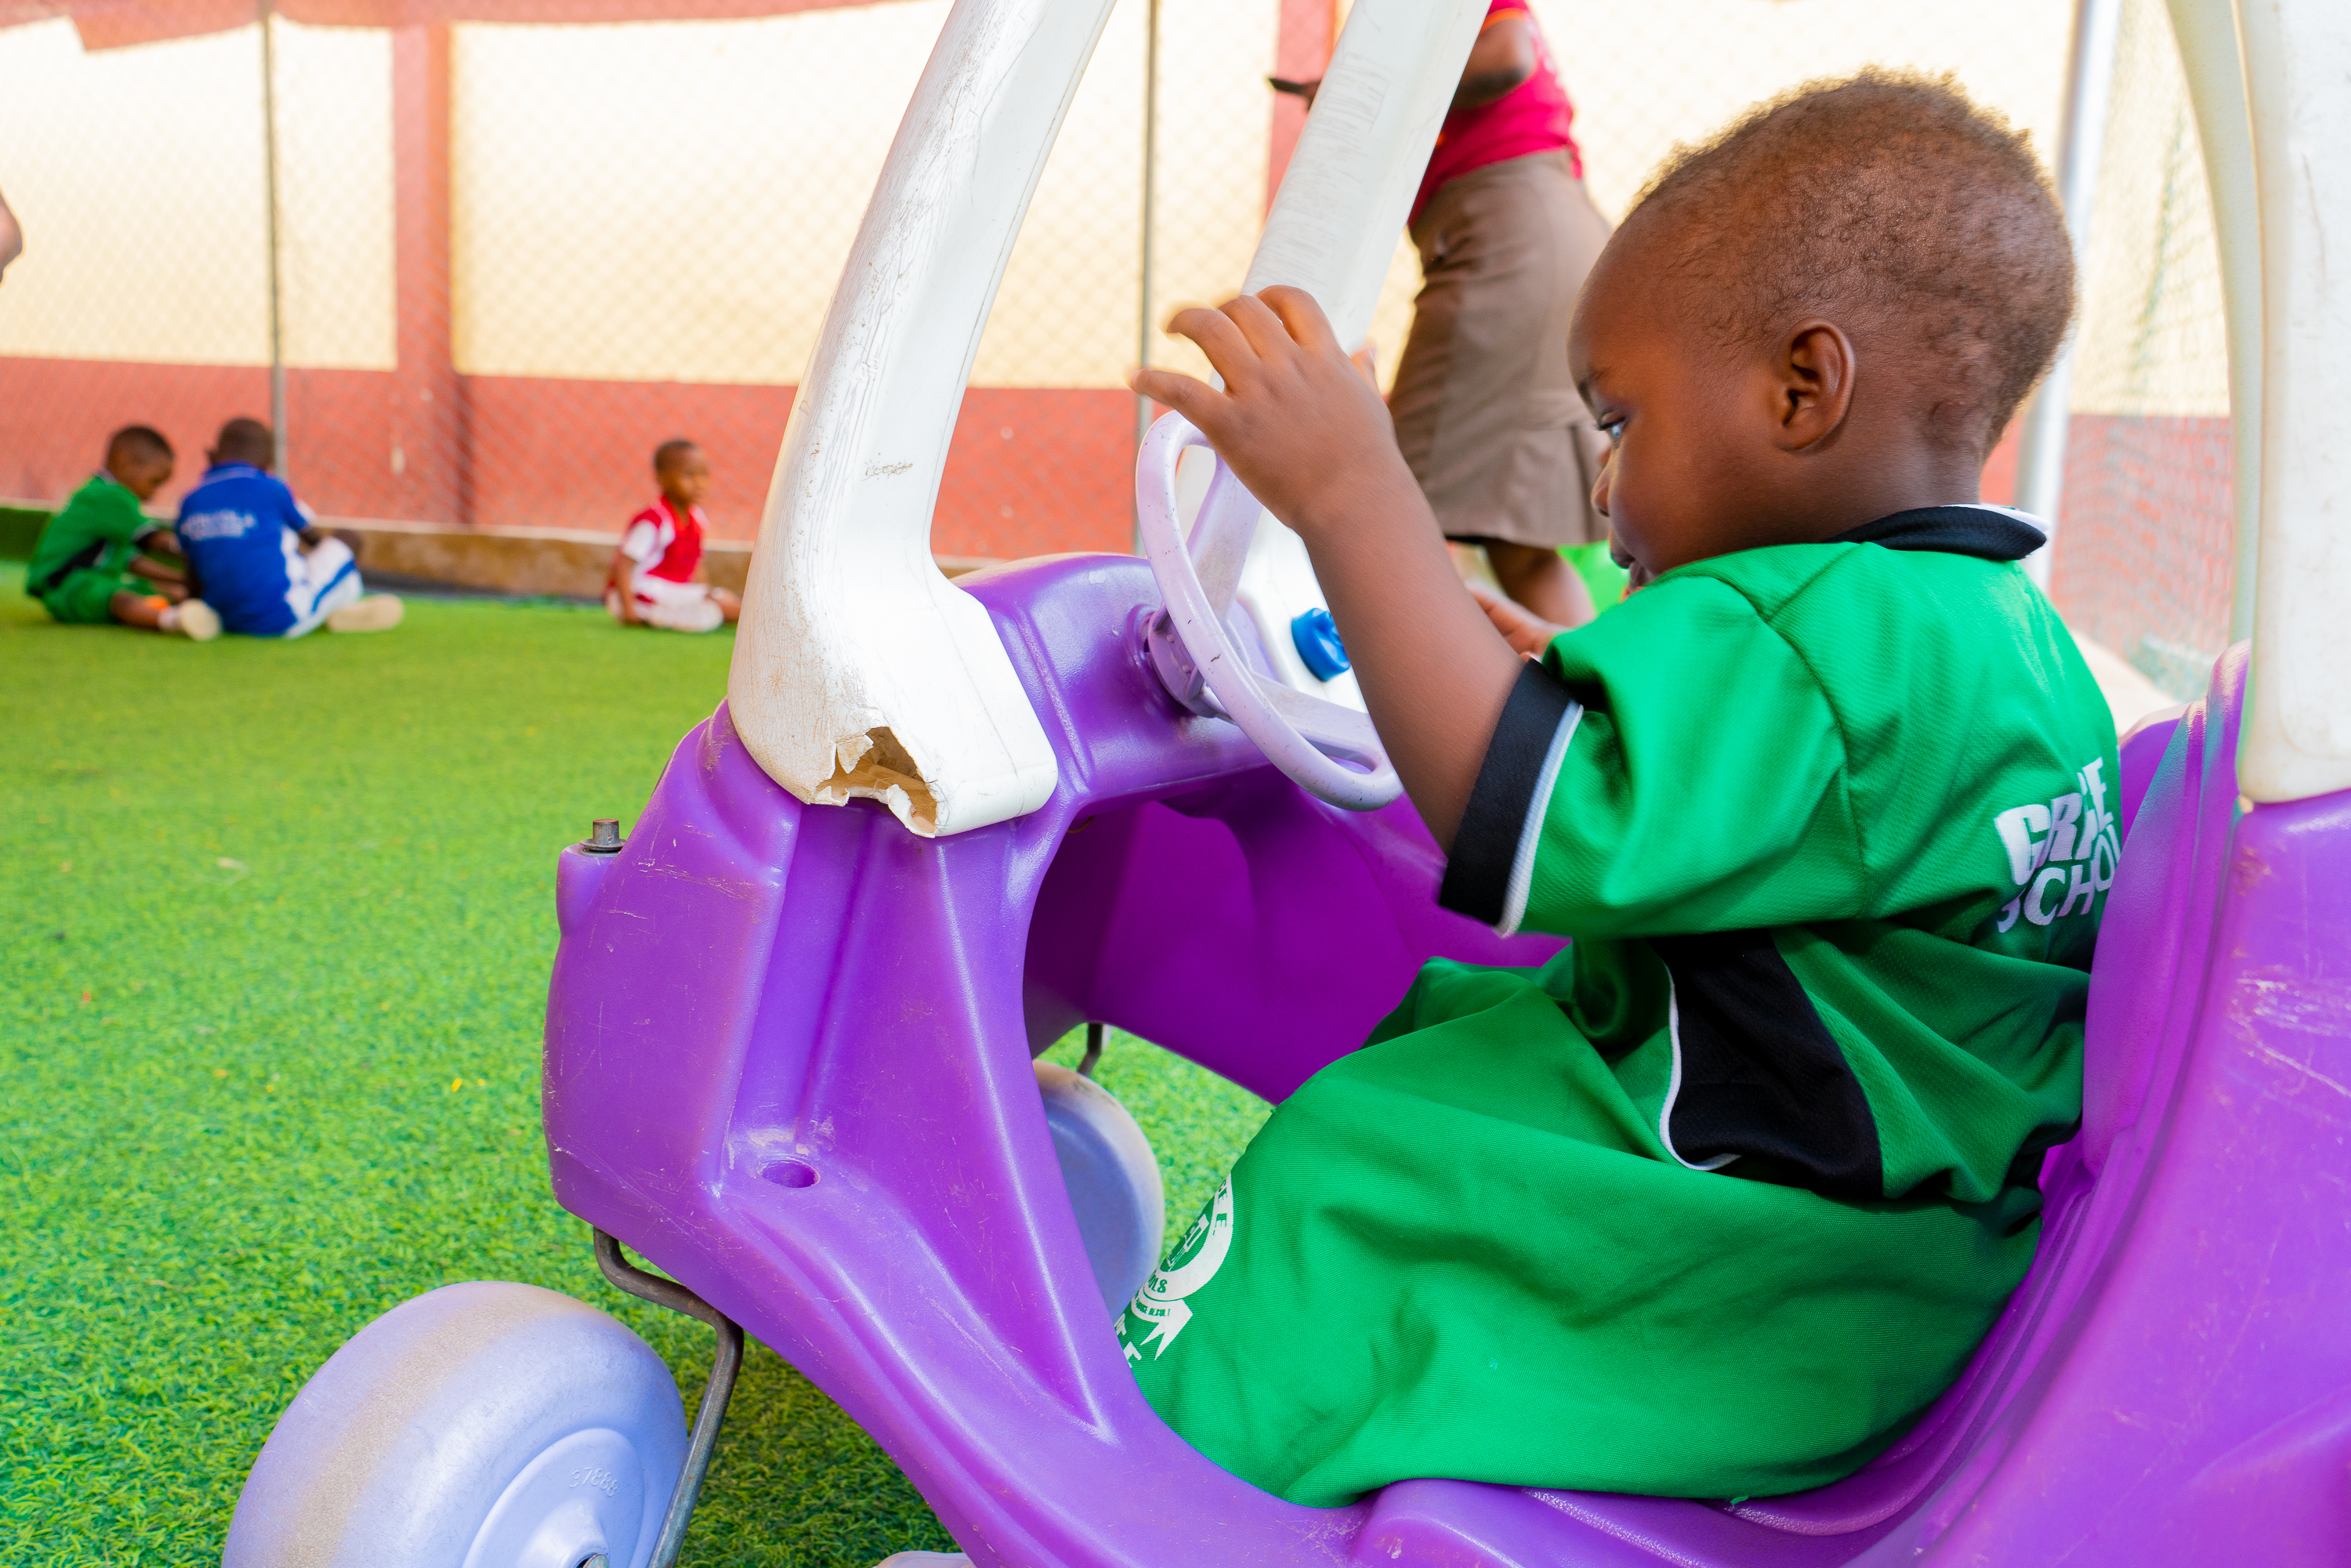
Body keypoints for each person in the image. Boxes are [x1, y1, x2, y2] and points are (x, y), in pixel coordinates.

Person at [1121, 72, 2106, 1507]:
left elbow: (1506, 820)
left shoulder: (1807, 629)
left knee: (1361, 1152)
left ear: (1802, 389)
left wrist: (1354, 496)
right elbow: (1793, 803)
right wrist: (1562, 683)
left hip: (1766, 1270)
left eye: (1619, 420)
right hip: (1904, 1275)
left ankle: (1133, 1511)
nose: (1599, 488)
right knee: (1460, 1032)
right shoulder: (2002, 632)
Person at [1281, 2, 1610, 628]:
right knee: (1516, 543)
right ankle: (1581, 707)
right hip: (1545, 230)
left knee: (1386, 493)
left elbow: (1508, 54)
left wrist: (1366, 87)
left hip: (1512, 235)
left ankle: (1425, 696)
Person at [174, 418, 404, 639]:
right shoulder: (272, 488)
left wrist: (195, 602)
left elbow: (192, 565)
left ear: (211, 455)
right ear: (268, 463)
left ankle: (209, 615)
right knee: (346, 539)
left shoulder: (190, 500)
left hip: (226, 618)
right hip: (283, 617)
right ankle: (343, 601)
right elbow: (312, 539)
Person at [26, 425, 220, 640]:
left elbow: (132, 561)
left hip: (88, 582)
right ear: (124, 462)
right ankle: (174, 621)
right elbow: (157, 542)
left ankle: (188, 610)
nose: (153, 494)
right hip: (69, 585)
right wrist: (206, 550)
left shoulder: (103, 500)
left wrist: (182, 580)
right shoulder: (110, 495)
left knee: (159, 589)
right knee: (121, 599)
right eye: (154, 482)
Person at [606, 440, 741, 633]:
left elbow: (696, 564)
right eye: (689, 475)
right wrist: (629, 613)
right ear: (663, 479)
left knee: (722, 598)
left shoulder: (697, 518)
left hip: (673, 591)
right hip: (642, 594)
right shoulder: (654, 522)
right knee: (713, 609)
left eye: (703, 474)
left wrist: (701, 592)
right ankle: (766, 618)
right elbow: (622, 567)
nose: (699, 483)